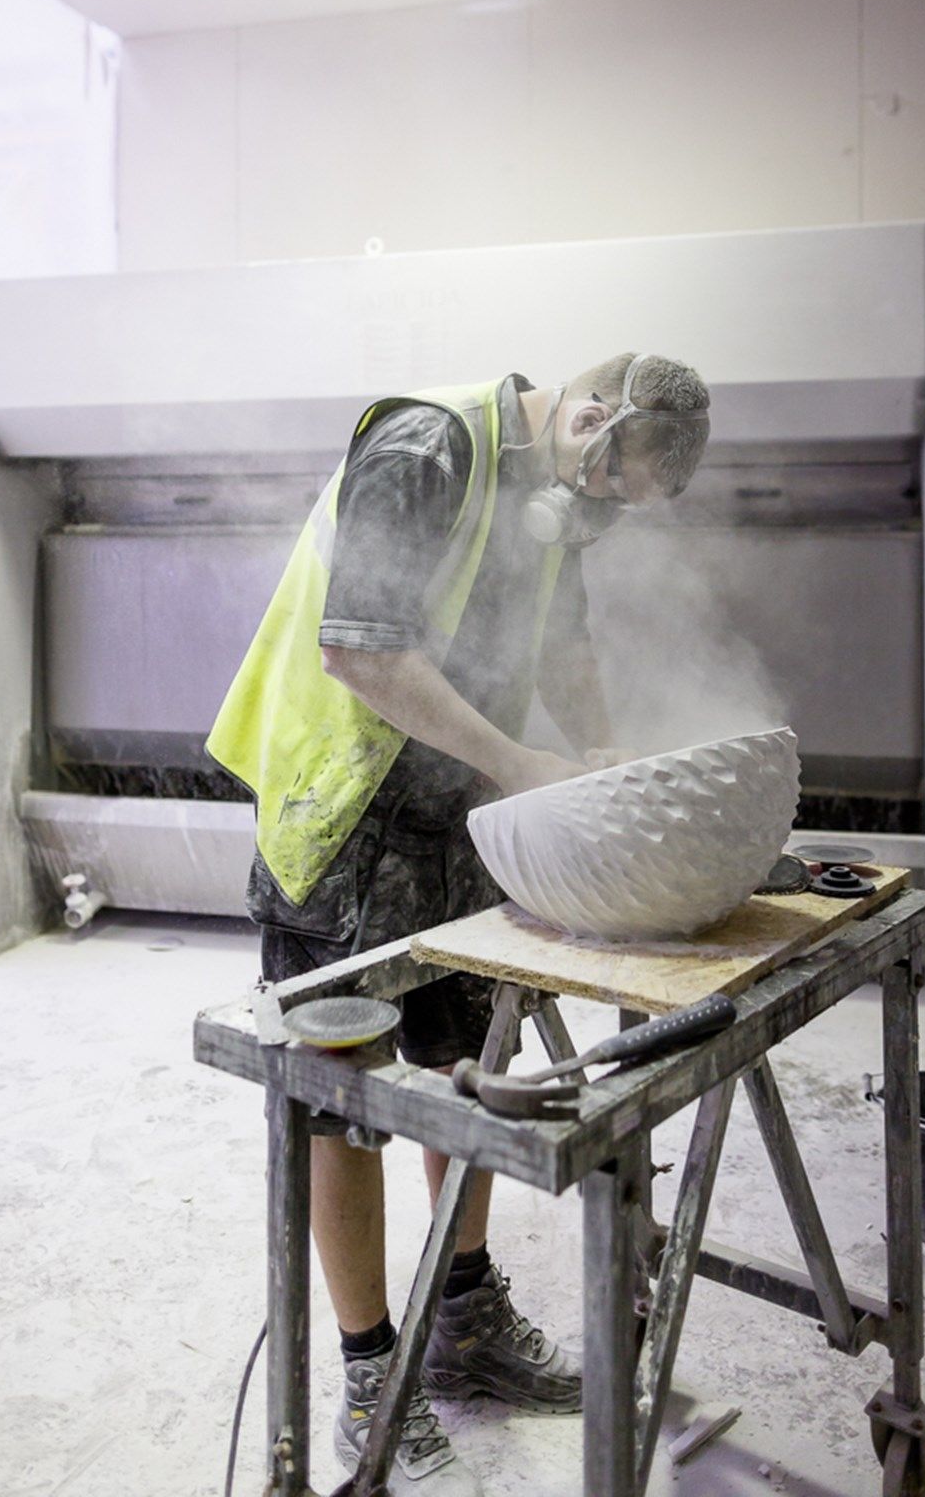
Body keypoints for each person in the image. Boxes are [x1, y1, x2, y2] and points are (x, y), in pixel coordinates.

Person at [207, 351, 710, 1494]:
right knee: (343, 1107)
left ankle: (464, 1322)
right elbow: (360, 650)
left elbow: (562, 643)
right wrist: (516, 760)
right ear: (587, 415)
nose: (590, 515)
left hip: (447, 825)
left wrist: (593, 755)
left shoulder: (546, 494)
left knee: (463, 1068)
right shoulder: (427, 448)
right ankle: (367, 1369)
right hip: (338, 822)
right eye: (601, 489)